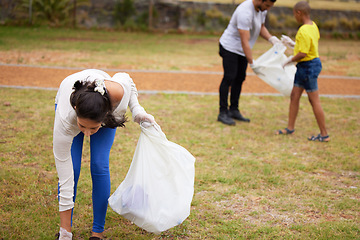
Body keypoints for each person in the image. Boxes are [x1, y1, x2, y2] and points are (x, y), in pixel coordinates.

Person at [53, 69, 155, 240]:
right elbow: (65, 178)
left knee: (99, 165)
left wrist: (137, 110)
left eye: (93, 128)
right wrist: (64, 234)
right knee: (72, 170)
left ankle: (97, 232)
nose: (87, 133)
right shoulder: (65, 118)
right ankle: (66, 230)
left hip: (103, 101)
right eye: (82, 126)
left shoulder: (116, 96)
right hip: (71, 103)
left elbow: (127, 79)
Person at [217, 0, 280, 126]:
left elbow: (261, 27)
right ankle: (223, 112)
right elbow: (244, 40)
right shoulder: (244, 12)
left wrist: (272, 39)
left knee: (240, 78)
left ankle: (234, 109)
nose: (268, 8)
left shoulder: (262, 9)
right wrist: (252, 62)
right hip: (230, 47)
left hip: (242, 50)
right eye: (267, 5)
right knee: (229, 77)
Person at [277, 1, 329, 142]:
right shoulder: (313, 26)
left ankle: (324, 135)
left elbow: (303, 54)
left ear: (299, 13)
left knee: (314, 100)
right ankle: (290, 128)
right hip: (306, 66)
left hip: (308, 66)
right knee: (295, 96)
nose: (294, 17)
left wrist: (288, 61)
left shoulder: (303, 30)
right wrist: (293, 44)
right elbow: (308, 46)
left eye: (294, 14)